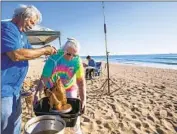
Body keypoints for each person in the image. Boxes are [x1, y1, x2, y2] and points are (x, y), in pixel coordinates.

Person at [1, 4, 57, 134]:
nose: (32, 26)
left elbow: (32, 52)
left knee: (15, 123)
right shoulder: (7, 28)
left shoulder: (22, 36)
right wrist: (44, 50)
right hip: (3, 91)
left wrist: (48, 50)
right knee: (5, 127)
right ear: (22, 16)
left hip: (15, 90)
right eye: (31, 22)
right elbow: (17, 55)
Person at [33, 38, 86, 134]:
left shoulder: (77, 60)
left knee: (74, 115)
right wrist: (37, 93)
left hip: (70, 88)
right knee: (54, 114)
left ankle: (76, 131)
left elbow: (81, 82)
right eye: (68, 54)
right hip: (53, 88)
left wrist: (84, 99)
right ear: (63, 50)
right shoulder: (54, 58)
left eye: (74, 55)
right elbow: (44, 78)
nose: (71, 57)